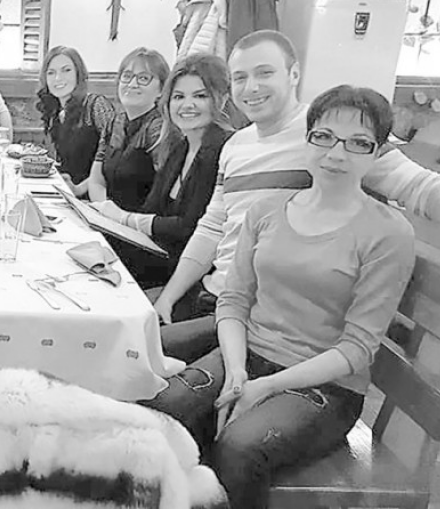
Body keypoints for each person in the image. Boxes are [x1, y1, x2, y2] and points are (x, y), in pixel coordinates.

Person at [146, 85, 415, 508]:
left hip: (325, 385)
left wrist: (267, 386)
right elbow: (234, 302)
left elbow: (358, 348)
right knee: (166, 407)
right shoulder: (267, 211)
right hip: (249, 355)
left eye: (358, 143)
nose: (336, 153)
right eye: (324, 136)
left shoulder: (388, 233)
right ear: (307, 140)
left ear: (377, 153)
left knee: (239, 446)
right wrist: (237, 372)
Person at [149, 30, 440, 363]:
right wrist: (169, 297)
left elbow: (420, 187)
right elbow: (213, 226)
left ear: (293, 74)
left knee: (137, 356)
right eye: (240, 78)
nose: (251, 87)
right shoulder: (235, 145)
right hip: (215, 296)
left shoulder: (327, 136)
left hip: (265, 322)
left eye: (264, 73)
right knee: (123, 335)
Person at [94, 53, 233, 288]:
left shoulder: (222, 149)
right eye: (179, 96)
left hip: (190, 275)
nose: (187, 105)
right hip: (157, 256)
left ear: (222, 99)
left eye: (200, 96)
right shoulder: (182, 147)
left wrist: (121, 217)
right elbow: (151, 208)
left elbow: (188, 227)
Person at [69, 47, 169, 208]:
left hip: (141, 220)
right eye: (127, 76)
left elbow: (163, 193)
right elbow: (96, 180)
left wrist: (122, 218)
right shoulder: (114, 122)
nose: (132, 84)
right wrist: (107, 209)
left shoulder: (160, 128)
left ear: (161, 90)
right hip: (109, 215)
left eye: (143, 78)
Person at [37, 46, 115, 188]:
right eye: (51, 73)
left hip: (96, 195)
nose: (58, 78)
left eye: (66, 70)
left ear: (78, 74)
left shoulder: (95, 105)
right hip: (67, 192)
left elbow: (114, 161)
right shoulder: (55, 112)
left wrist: (79, 189)